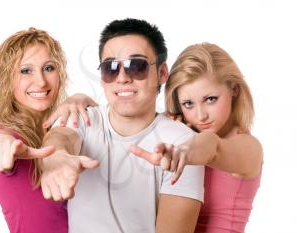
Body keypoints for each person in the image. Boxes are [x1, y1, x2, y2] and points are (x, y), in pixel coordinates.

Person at [40, 18, 204, 233]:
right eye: (111, 68)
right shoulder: (83, 118)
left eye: (136, 66)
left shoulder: (182, 143)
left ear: (162, 73)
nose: (123, 78)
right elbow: (62, 136)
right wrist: (56, 157)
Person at [130, 43, 263, 232]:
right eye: (188, 103)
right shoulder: (177, 133)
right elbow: (123, 121)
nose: (201, 116)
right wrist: (83, 103)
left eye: (210, 99)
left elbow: (213, 147)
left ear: (234, 89)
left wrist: (183, 151)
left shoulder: (249, 147)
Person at [0, 27, 69, 233]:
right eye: (25, 71)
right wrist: (0, 143)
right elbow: (0, 142)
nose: (41, 81)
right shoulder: (9, 138)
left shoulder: (59, 130)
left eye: (49, 68)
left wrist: (79, 99)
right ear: (7, 79)